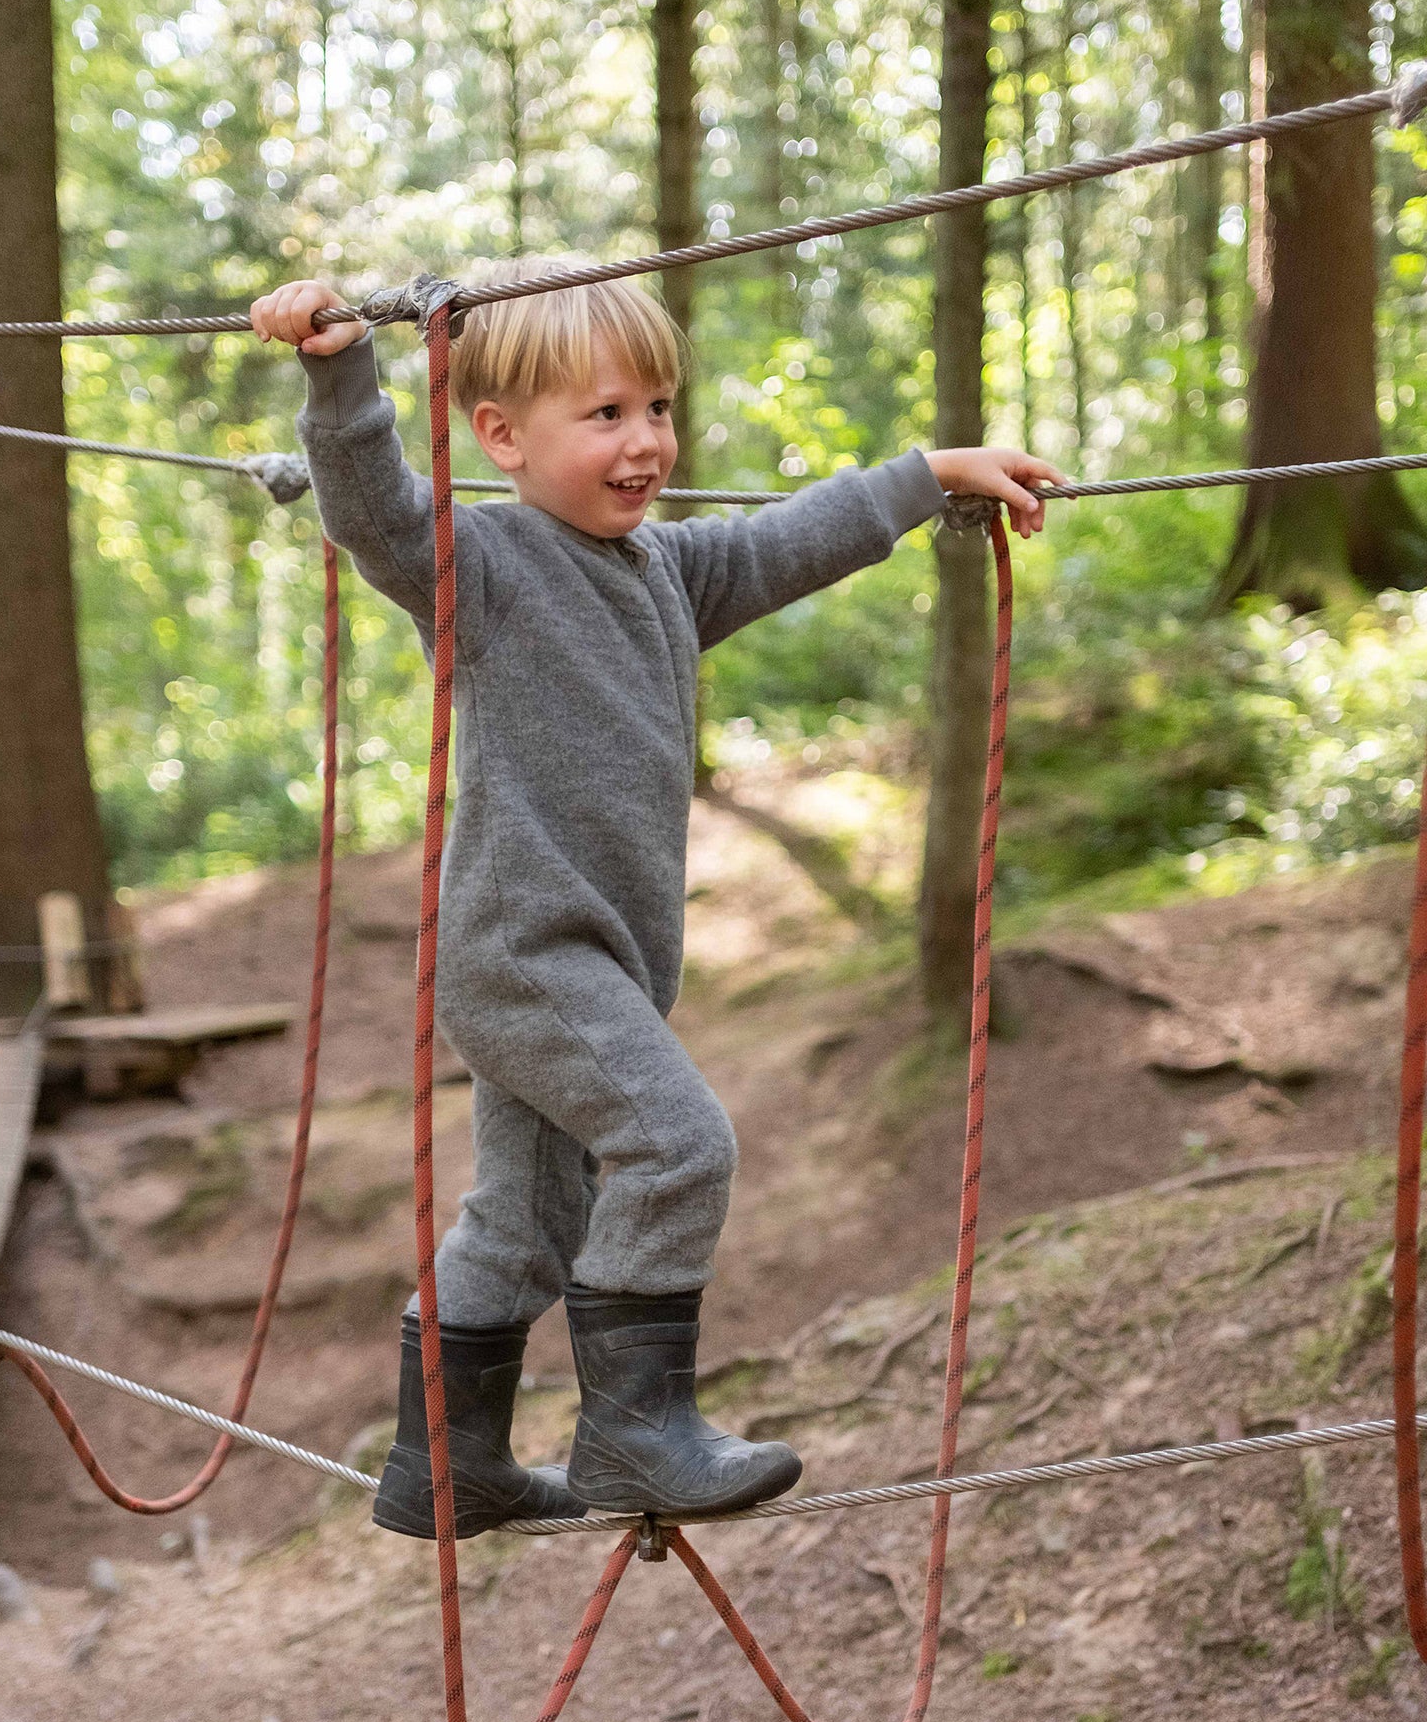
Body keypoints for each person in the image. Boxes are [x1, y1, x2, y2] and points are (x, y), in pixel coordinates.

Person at [251, 259, 1064, 1538]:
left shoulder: (669, 575)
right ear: (503, 439)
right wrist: (339, 372)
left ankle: (446, 1465)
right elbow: (370, 511)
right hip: (525, 952)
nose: (645, 444)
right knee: (678, 1145)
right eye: (607, 414)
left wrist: (931, 475)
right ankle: (634, 1433)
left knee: (525, 1224)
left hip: (592, 964)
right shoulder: (484, 560)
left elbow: (785, 538)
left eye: (657, 409)